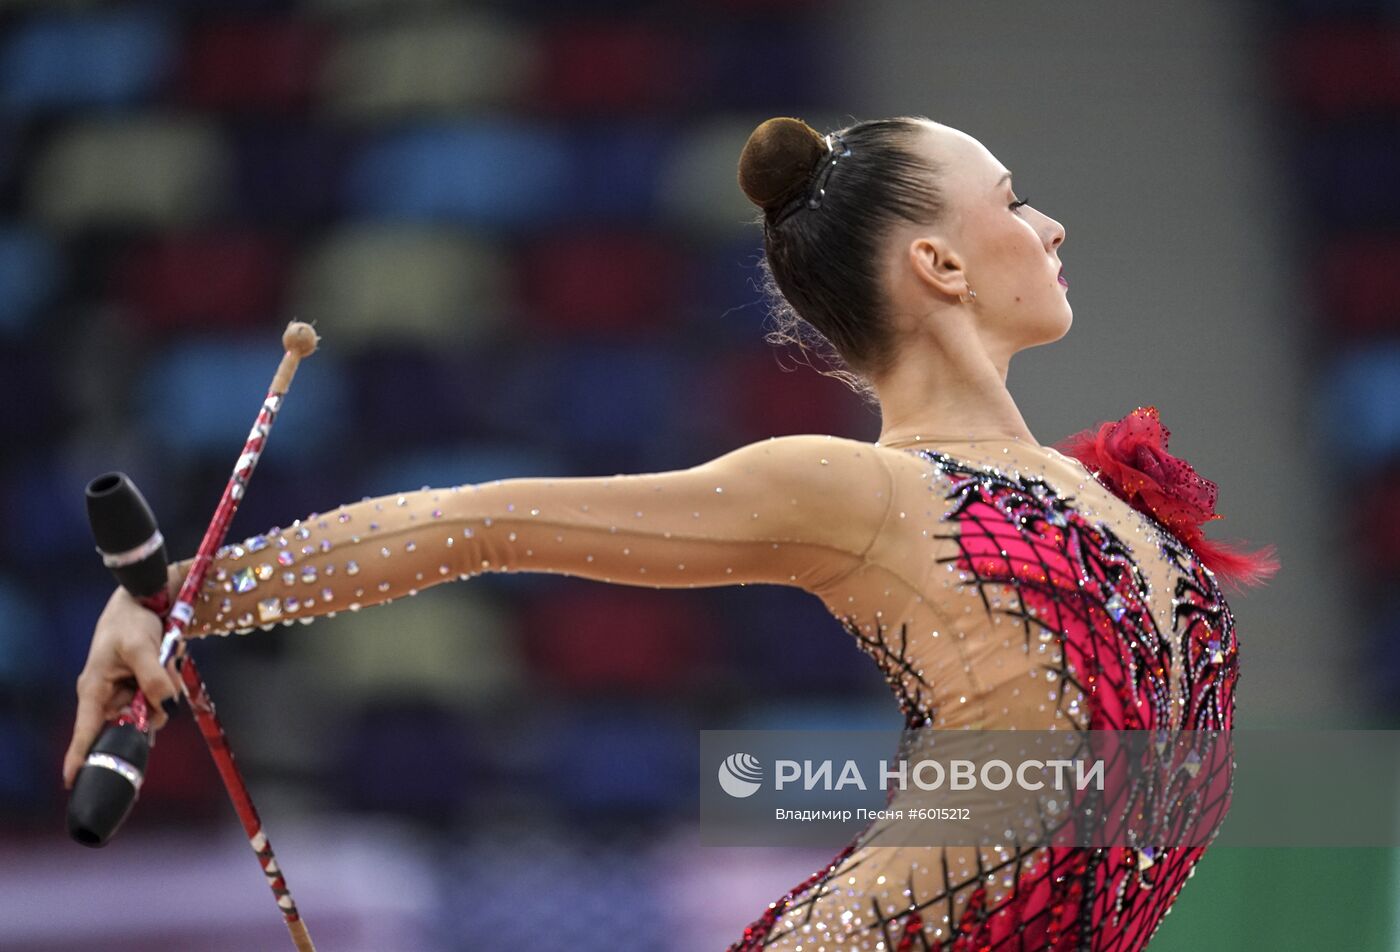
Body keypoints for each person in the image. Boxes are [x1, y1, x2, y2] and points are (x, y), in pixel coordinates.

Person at [65, 115, 1276, 949]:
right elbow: (485, 521)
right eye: (1013, 200)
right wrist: (190, 598)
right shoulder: (868, 494)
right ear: (936, 261)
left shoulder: (1116, 503)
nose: (1050, 225)